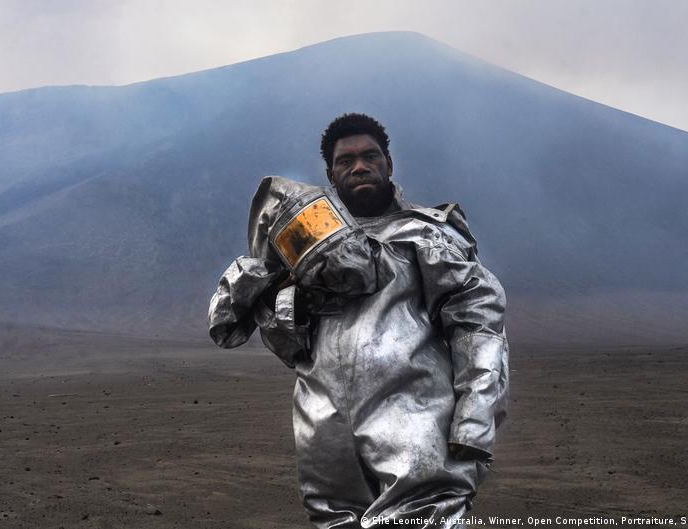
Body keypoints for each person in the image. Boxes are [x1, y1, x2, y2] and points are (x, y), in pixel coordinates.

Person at [207, 113, 509, 528]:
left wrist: (475, 418)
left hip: (416, 422)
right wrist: (283, 292)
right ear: (331, 175)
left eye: (370, 156)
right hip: (324, 428)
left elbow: (478, 327)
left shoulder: (428, 236)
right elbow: (273, 339)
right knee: (334, 521)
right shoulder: (301, 250)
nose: (360, 166)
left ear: (389, 163)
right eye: (346, 161)